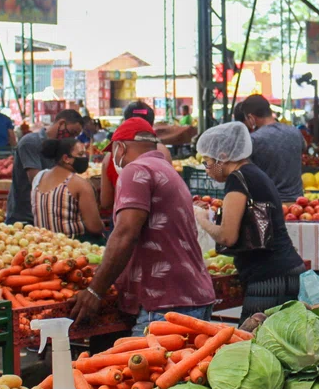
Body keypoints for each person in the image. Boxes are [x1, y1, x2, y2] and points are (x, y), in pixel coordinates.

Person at [69, 118, 215, 334]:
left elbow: (125, 234)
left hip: (164, 304)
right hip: (189, 296)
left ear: (121, 147)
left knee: (152, 366)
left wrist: (95, 290)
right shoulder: (166, 169)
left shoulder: (136, 170)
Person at [194, 123, 312, 321]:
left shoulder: (237, 179)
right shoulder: (254, 174)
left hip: (269, 276)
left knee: (251, 340)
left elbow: (227, 236)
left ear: (222, 157)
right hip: (285, 270)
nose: (207, 169)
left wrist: (202, 220)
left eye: (207, 162)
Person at [7, 109, 85, 224]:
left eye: (75, 136)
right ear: (61, 123)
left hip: (47, 216)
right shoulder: (30, 142)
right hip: (25, 216)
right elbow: (36, 180)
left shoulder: (62, 149)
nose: (71, 138)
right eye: (72, 133)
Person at [99, 103, 171, 214]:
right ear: (151, 124)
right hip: (157, 217)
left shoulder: (110, 157)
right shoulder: (162, 152)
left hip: (121, 218)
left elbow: (106, 202)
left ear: (125, 122)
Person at [32, 138, 104, 243]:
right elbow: (95, 227)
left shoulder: (39, 177)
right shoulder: (80, 184)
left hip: (43, 243)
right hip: (73, 245)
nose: (85, 158)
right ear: (66, 158)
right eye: (81, 154)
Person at [239, 94, 305, 202]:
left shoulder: (254, 139)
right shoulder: (295, 132)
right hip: (298, 204)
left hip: (270, 205)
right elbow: (304, 147)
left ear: (251, 117)